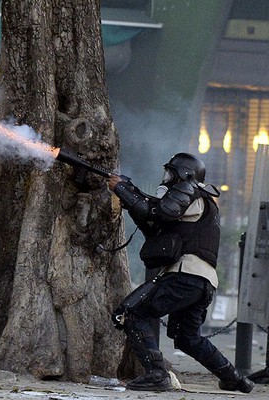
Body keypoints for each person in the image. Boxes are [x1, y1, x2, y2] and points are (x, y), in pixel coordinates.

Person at [107, 153, 254, 393]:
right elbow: (154, 227)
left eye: (170, 173)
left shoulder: (189, 190)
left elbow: (155, 213)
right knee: (188, 338)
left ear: (184, 174)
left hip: (184, 275)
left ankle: (156, 375)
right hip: (203, 282)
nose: (167, 179)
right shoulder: (194, 203)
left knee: (130, 314)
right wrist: (129, 196)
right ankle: (235, 379)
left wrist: (122, 189)